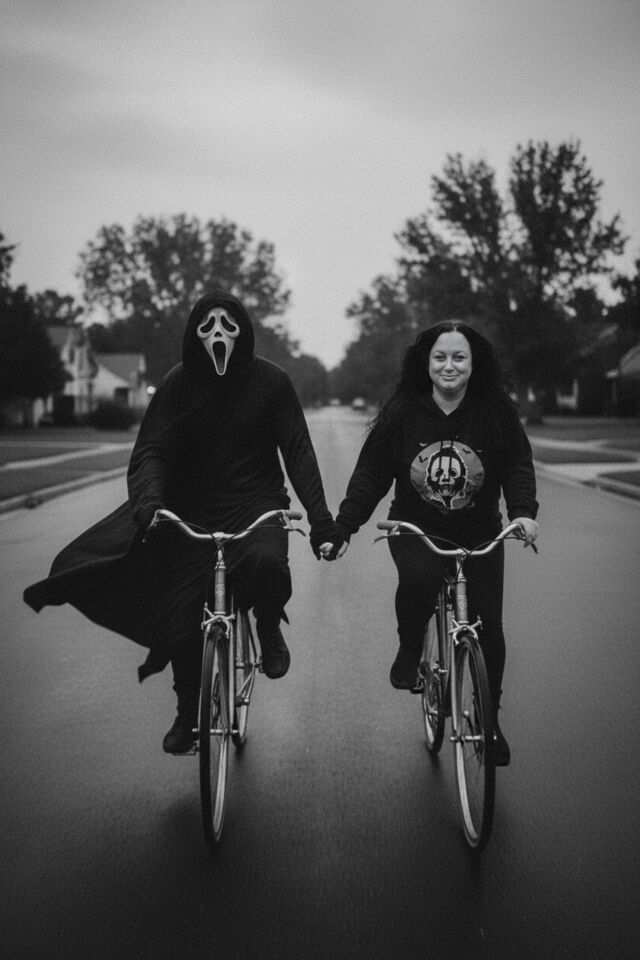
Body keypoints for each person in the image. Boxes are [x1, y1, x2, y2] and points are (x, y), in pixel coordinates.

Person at [24, 291, 342, 754]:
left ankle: (269, 624)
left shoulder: (272, 382)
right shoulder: (178, 383)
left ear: (243, 329)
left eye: (228, 322)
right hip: (192, 508)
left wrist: (322, 521)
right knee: (185, 612)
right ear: (194, 333)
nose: (218, 331)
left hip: (256, 502)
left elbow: (297, 451)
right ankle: (188, 712)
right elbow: (152, 450)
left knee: (266, 560)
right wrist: (150, 504)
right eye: (207, 323)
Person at [333, 321, 539, 765]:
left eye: (459, 357)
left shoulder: (496, 411)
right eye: (440, 357)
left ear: (474, 364)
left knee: (489, 625)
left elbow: (517, 465)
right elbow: (371, 475)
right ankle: (410, 648)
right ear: (425, 363)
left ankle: (489, 722)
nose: (449, 366)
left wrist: (523, 512)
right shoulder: (403, 412)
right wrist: (345, 526)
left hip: (480, 532)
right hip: (416, 527)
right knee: (420, 577)